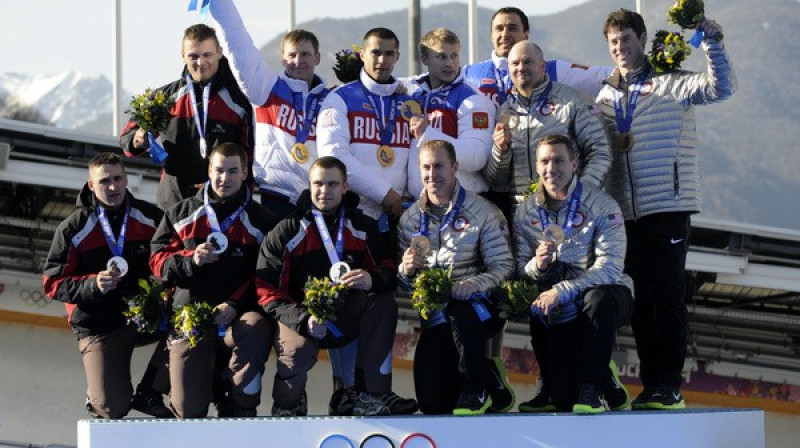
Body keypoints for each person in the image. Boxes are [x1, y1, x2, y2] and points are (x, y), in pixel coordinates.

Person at [595, 8, 736, 410]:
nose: (621, 48)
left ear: (642, 39)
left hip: (668, 205)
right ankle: (651, 385)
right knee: (638, 298)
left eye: (627, 39)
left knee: (668, 296)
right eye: (614, 42)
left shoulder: (671, 82)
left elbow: (720, 87)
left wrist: (713, 44)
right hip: (624, 213)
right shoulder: (605, 95)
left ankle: (670, 384)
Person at [256, 156, 413, 416]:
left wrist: (371, 279)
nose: (324, 191)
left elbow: (387, 268)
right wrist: (303, 319)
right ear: (309, 185)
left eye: (332, 184)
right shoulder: (287, 230)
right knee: (295, 355)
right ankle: (289, 405)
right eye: (318, 183)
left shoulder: (363, 227)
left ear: (345, 187)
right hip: (301, 318)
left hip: (346, 316)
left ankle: (371, 396)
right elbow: (267, 289)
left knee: (383, 304)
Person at [150, 143, 277, 418]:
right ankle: (200, 386)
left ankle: (240, 404)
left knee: (255, 329)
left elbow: (267, 275)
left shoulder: (262, 220)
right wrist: (189, 260)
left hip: (237, 317)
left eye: (233, 171)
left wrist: (235, 302)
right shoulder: (181, 214)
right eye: (219, 170)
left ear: (245, 173)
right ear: (209, 170)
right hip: (191, 317)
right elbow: (156, 262)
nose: (225, 178)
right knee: (188, 409)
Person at [43, 153, 170, 419]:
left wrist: (164, 292)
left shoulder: (150, 218)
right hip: (100, 324)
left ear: (126, 180)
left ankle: (151, 390)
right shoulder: (73, 228)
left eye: (117, 179)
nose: (112, 187)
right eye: (104, 181)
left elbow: (171, 261)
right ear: (91, 185)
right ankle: (98, 398)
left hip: (143, 317)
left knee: (193, 321)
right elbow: (52, 283)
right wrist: (92, 285)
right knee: (113, 407)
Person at [514, 134, 633, 413]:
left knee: (598, 299)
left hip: (609, 292)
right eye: (544, 161)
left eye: (558, 160)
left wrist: (562, 289)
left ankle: (592, 386)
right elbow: (520, 268)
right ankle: (601, 377)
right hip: (561, 305)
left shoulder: (602, 205)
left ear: (574, 164)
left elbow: (611, 267)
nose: (550, 168)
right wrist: (537, 266)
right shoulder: (525, 212)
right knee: (565, 401)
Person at [398, 140, 513, 415]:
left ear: (455, 167)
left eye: (439, 166)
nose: (432, 173)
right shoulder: (410, 220)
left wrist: (474, 284)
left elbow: (505, 267)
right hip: (438, 316)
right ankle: (489, 376)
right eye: (426, 167)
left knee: (460, 310)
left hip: (481, 306)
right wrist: (406, 271)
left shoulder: (483, 211)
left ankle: (477, 389)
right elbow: (407, 286)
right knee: (432, 402)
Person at [209, 0, 333, 219]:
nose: (298, 61)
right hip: (276, 196)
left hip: (317, 197)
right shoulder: (267, 87)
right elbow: (240, 48)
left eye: (305, 54)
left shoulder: (331, 100)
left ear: (317, 58)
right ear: (283, 59)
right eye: (292, 55)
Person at [120, 23, 253, 211]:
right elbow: (127, 137)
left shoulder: (240, 102)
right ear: (183, 56)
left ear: (219, 53)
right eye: (193, 56)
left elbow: (252, 153)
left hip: (222, 203)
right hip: (173, 200)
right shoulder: (164, 98)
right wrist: (137, 140)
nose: (200, 62)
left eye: (207, 55)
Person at [484, 41, 611, 214]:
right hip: (524, 218)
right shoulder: (505, 111)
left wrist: (580, 195)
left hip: (571, 212)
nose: (521, 68)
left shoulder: (571, 101)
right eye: (515, 63)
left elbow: (601, 152)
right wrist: (501, 150)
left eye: (527, 62)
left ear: (542, 66)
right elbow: (497, 181)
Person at [317, 27, 414, 225]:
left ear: (397, 57)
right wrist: (384, 193)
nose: (382, 60)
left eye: (389, 54)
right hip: (354, 213)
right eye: (375, 52)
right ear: (362, 54)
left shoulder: (408, 103)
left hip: (399, 213)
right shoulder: (340, 98)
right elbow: (333, 156)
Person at [403, 27, 494, 198]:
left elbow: (476, 156)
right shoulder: (412, 91)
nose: (449, 63)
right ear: (425, 59)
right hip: (422, 203)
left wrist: (427, 134)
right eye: (441, 56)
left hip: (464, 202)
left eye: (454, 56)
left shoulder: (473, 99)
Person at [463, 7, 610, 108]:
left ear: (526, 34)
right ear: (491, 35)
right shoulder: (469, 73)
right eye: (499, 29)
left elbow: (604, 76)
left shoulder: (554, 69)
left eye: (512, 28)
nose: (505, 34)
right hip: (495, 153)